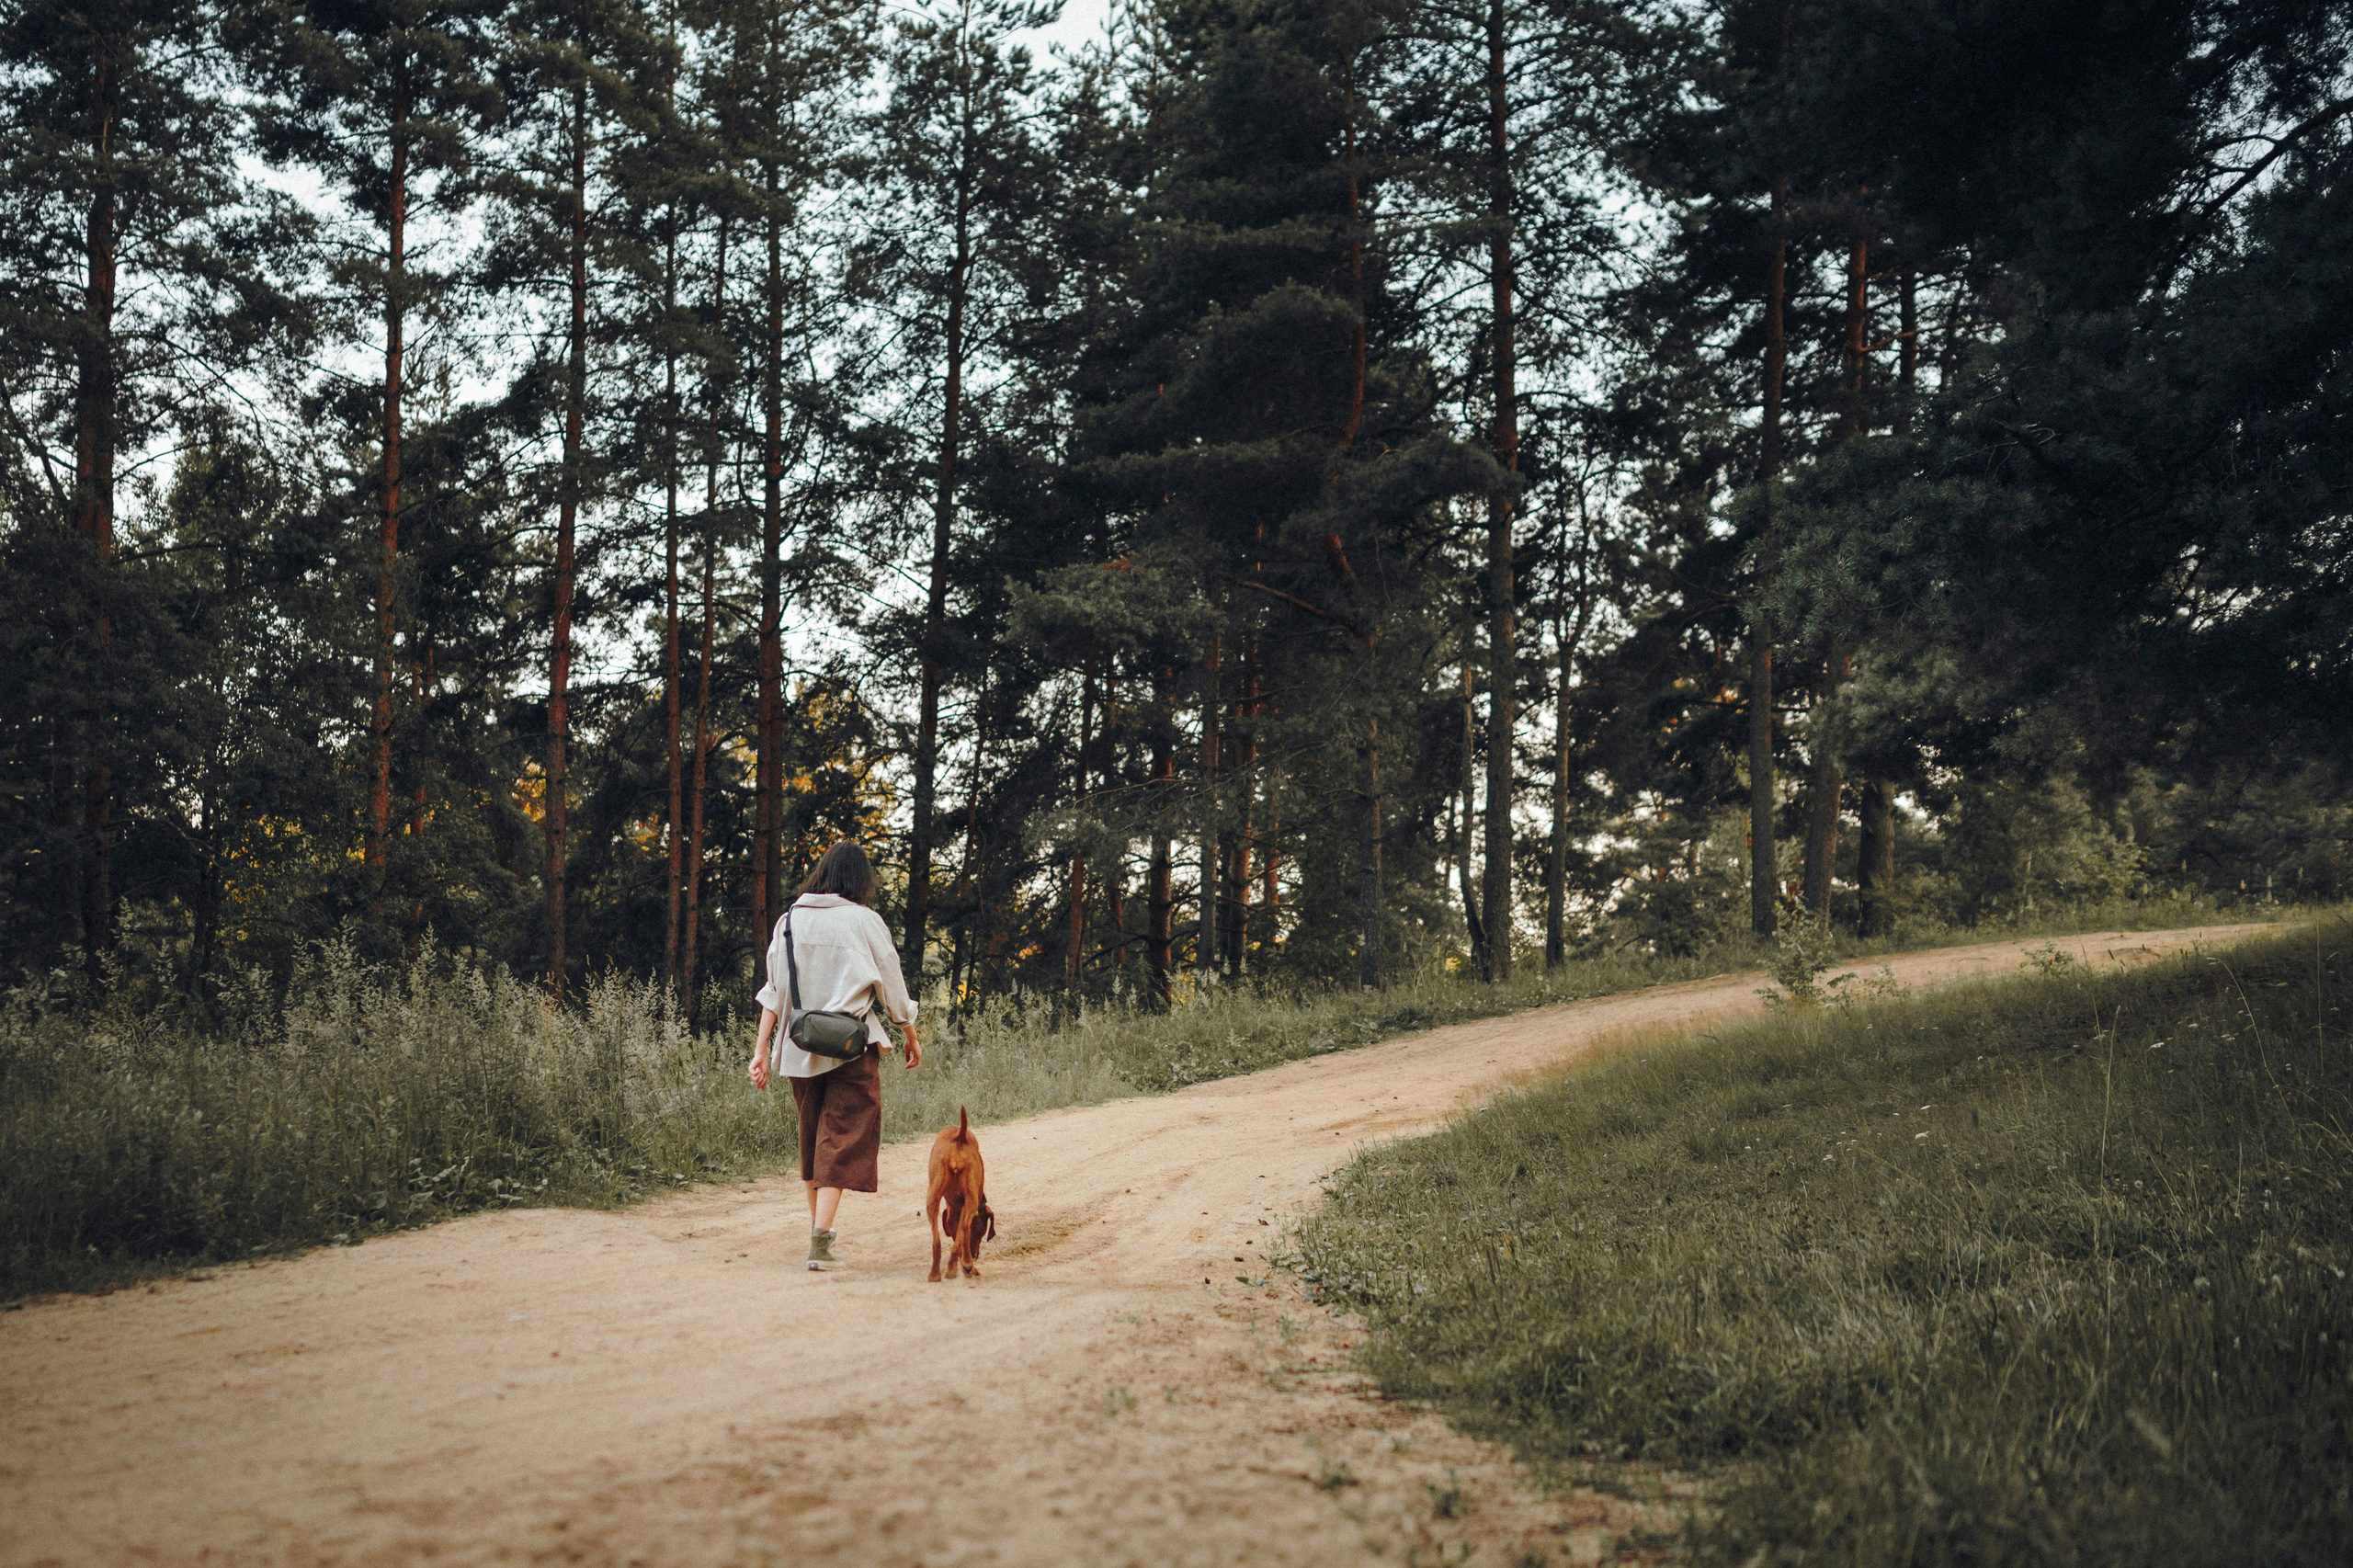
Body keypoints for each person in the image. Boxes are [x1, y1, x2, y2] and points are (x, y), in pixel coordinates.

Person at [748, 840, 921, 1269]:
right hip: (850, 1047)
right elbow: (891, 984)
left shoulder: (788, 922)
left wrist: (761, 1049)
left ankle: (818, 1235)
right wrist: (908, 1031)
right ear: (859, 880)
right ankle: (820, 1243)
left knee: (813, 1137)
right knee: (842, 1136)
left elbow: (775, 992)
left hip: (798, 1044)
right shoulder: (864, 921)